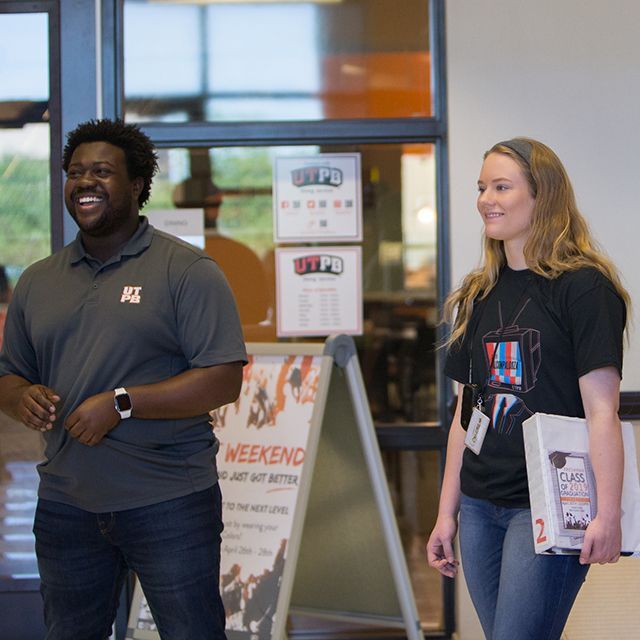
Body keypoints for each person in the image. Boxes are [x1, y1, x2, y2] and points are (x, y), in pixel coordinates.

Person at [0, 118, 247, 640]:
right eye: (74, 172)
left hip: (169, 503)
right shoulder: (38, 281)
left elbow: (224, 378)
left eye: (101, 172)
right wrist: (23, 397)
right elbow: (9, 375)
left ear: (136, 186)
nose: (84, 182)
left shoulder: (186, 270)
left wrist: (122, 403)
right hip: (66, 505)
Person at [426, 137, 629, 639]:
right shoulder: (476, 294)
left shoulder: (585, 288)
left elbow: (603, 412)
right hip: (477, 505)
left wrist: (607, 513)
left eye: (501, 187)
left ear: (543, 197)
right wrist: (444, 513)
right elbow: (464, 416)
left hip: (546, 504)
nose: (485, 200)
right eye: (481, 188)